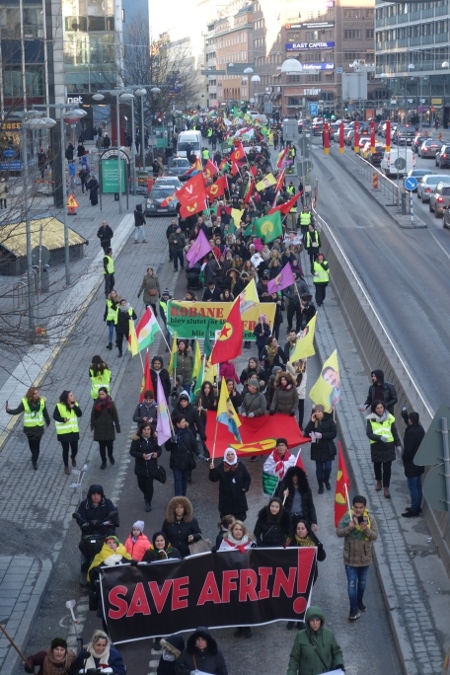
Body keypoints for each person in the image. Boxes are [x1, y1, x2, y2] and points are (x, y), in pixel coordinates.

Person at [336, 495, 379, 621]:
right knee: (351, 584)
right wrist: (349, 528)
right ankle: (353, 610)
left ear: (364, 507)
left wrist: (366, 530)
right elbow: (338, 532)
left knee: (362, 584)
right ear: (353, 506)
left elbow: (375, 536)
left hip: (365, 558)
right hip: (350, 559)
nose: (358, 510)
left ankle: (359, 602)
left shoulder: (370, 518)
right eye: (356, 507)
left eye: (361, 507)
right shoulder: (347, 517)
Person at [218, 520, 256, 639]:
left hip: (247, 578)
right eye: (236, 529)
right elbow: (220, 560)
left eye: (240, 529)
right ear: (231, 530)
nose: (238, 532)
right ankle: (239, 626)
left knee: (246, 602)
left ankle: (247, 626)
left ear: (243, 531)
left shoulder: (250, 543)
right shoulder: (225, 543)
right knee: (236, 602)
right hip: (233, 579)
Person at [286, 605, 344, 674]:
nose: (315, 623)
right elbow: (294, 658)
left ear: (321, 621)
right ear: (308, 621)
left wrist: (339, 664)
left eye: (317, 620)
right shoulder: (300, 636)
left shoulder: (329, 634)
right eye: (312, 620)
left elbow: (336, 652)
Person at [5, 387, 50, 469]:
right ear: (31, 395)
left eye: (37, 393)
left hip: (39, 427)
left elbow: (45, 412)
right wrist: (8, 410)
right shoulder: (24, 402)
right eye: (35, 393)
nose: (37, 395)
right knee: (31, 444)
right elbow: (17, 411)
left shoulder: (42, 401)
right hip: (29, 428)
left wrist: (48, 421)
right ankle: (34, 456)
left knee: (36, 445)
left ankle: (34, 461)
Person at [366, 400, 401, 499]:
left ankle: (386, 487)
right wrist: (379, 437)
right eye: (378, 408)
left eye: (381, 407)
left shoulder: (390, 418)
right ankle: (378, 481)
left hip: (388, 446)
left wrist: (398, 444)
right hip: (376, 446)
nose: (380, 410)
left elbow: (394, 432)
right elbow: (369, 433)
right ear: (374, 409)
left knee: (387, 469)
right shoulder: (370, 419)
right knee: (377, 465)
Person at [166, 414, 206, 496]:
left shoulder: (188, 431)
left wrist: (198, 454)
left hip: (187, 461)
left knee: (184, 480)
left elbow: (193, 444)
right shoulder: (172, 433)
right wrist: (171, 441)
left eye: (184, 421)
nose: (184, 423)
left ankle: (183, 496)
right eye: (182, 422)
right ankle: (178, 498)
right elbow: (167, 447)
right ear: (177, 424)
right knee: (177, 479)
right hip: (176, 461)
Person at [209, 448, 251, 521]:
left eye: (232, 454)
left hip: (239, 499)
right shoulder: (221, 467)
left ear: (235, 455)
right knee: (227, 522)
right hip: (226, 499)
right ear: (225, 456)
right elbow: (214, 479)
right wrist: (212, 470)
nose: (230, 456)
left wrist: (245, 488)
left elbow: (247, 478)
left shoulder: (241, 466)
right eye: (228, 455)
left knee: (239, 521)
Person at [304, 404, 337, 494]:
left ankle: (326, 480)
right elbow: (306, 432)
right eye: (316, 411)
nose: (317, 413)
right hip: (317, 449)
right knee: (319, 469)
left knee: (328, 468)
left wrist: (322, 435)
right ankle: (320, 485)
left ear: (323, 412)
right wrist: (311, 422)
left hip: (327, 448)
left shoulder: (330, 421)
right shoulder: (314, 421)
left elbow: (334, 434)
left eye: (319, 411)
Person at [130, 422, 162, 512]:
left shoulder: (154, 439)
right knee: (141, 485)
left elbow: (159, 450)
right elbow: (132, 452)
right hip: (141, 467)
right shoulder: (137, 440)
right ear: (141, 430)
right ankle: (146, 495)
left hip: (151, 467)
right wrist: (141, 455)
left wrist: (157, 454)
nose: (147, 431)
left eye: (148, 429)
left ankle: (148, 502)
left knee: (149, 485)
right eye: (144, 430)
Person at [275, 466, 318, 531]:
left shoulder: (306, 489)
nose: (295, 478)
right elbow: (277, 504)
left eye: (296, 476)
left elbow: (310, 506)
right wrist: (283, 495)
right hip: (289, 518)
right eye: (293, 476)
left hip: (303, 518)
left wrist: (314, 521)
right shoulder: (284, 487)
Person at [285, 519, 326, 586]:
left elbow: (321, 558)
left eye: (302, 528)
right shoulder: (290, 540)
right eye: (298, 528)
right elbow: (284, 553)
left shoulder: (313, 541)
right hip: (294, 573)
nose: (300, 530)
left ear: (307, 530)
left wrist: (320, 549)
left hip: (310, 572)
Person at [400, 408, 425, 517]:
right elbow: (410, 425)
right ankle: (417, 506)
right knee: (418, 486)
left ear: (411, 420)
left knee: (413, 487)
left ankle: (414, 509)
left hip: (412, 464)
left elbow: (408, 450)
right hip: (419, 462)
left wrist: (404, 459)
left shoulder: (411, 433)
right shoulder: (420, 429)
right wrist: (405, 416)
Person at [90, 386, 121, 469]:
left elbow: (115, 415)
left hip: (109, 428)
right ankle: (104, 461)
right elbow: (93, 415)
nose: (101, 396)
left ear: (106, 394)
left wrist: (117, 427)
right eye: (100, 394)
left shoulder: (110, 403)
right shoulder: (96, 403)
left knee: (110, 445)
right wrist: (92, 427)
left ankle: (110, 455)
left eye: (103, 394)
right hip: (99, 428)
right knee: (102, 447)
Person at [53, 390, 82, 475]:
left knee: (75, 449)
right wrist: (63, 419)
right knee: (65, 449)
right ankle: (66, 466)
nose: (73, 396)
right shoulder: (59, 406)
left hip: (73, 431)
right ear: (67, 398)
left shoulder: (75, 404)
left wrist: (74, 407)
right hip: (64, 432)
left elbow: (79, 414)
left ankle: (73, 457)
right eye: (71, 395)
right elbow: (55, 416)